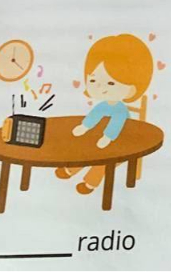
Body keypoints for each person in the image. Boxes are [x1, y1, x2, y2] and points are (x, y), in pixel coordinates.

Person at [55, 34, 154, 196]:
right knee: (85, 150)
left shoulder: (121, 110)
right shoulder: (103, 105)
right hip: (99, 139)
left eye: (111, 83)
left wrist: (107, 138)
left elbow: (116, 125)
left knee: (102, 161)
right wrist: (84, 127)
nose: (101, 88)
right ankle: (70, 169)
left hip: (120, 142)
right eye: (93, 81)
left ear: (132, 89)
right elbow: (94, 116)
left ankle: (90, 183)